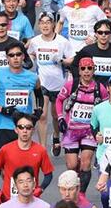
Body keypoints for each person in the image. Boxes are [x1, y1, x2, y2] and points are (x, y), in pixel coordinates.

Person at [57, 58, 109, 193]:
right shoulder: (71, 85)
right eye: (83, 69)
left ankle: (81, 195)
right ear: (79, 71)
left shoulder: (100, 88)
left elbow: (105, 108)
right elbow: (59, 100)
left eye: (89, 68)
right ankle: (74, 185)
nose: (86, 71)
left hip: (88, 132)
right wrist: (60, 118)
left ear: (94, 70)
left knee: (86, 164)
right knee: (72, 165)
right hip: (71, 131)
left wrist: (101, 128)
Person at [0, 40, 44, 151]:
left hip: (24, 126)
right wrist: (1, 109)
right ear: (7, 58)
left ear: (23, 57)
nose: (15, 58)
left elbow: (39, 96)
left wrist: (39, 110)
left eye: (18, 54)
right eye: (11, 55)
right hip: (3, 125)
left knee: (23, 163)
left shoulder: (33, 77)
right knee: (5, 165)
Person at [27, 11, 75, 153]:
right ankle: (42, 147)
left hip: (59, 84)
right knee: (42, 115)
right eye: (42, 23)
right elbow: (30, 53)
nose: (45, 25)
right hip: (42, 83)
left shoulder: (62, 42)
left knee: (55, 115)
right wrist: (31, 59)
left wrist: (61, 60)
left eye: (48, 22)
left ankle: (55, 136)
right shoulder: (35, 41)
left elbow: (72, 59)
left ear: (53, 24)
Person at [0, 112, 54, 204]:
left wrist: (40, 189)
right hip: (9, 200)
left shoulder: (40, 151)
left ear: (33, 130)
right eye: (21, 127)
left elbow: (48, 174)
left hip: (32, 200)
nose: (24, 131)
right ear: (16, 130)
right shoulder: (5, 149)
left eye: (28, 128)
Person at [71, 19, 111, 84]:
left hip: (109, 89)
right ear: (96, 34)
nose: (103, 35)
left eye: (106, 32)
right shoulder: (87, 50)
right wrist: (79, 80)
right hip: (92, 89)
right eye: (100, 32)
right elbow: (74, 65)